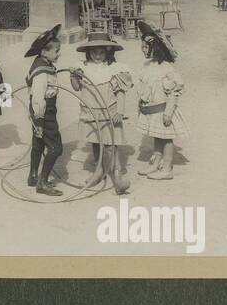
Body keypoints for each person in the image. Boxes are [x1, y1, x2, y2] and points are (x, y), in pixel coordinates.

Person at [74, 30, 132, 191]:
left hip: (109, 113)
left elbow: (121, 92)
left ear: (108, 52)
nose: (97, 56)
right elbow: (76, 87)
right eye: (93, 52)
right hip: (90, 112)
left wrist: (119, 112)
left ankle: (117, 173)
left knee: (110, 145)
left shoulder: (115, 69)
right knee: (96, 142)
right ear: (88, 52)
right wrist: (74, 77)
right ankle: (99, 171)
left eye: (101, 52)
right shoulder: (83, 68)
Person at [135, 18, 189, 180]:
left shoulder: (166, 69)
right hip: (152, 109)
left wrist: (169, 112)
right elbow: (145, 88)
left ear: (156, 48)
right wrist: (141, 104)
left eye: (146, 47)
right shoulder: (148, 67)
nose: (143, 50)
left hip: (163, 109)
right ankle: (155, 162)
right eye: (142, 47)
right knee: (156, 135)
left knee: (166, 139)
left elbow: (174, 92)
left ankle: (167, 168)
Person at [25, 25, 64, 195]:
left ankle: (33, 175)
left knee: (39, 143)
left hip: (39, 111)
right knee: (56, 148)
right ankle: (42, 182)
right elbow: (38, 97)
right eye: (56, 51)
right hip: (43, 111)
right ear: (44, 52)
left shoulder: (42, 64)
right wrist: (40, 121)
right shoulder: (41, 72)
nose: (59, 53)